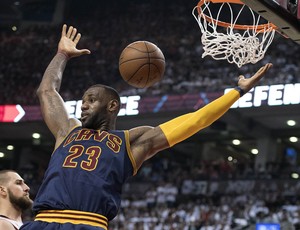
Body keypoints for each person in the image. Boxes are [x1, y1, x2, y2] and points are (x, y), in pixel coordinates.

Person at [20, 24, 272, 230]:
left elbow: (195, 120)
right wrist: (62, 54)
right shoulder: (68, 130)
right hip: (43, 221)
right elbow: (47, 90)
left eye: (92, 100)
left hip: (89, 223)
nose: (83, 106)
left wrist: (237, 92)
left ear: (112, 106)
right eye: (83, 100)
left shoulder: (132, 141)